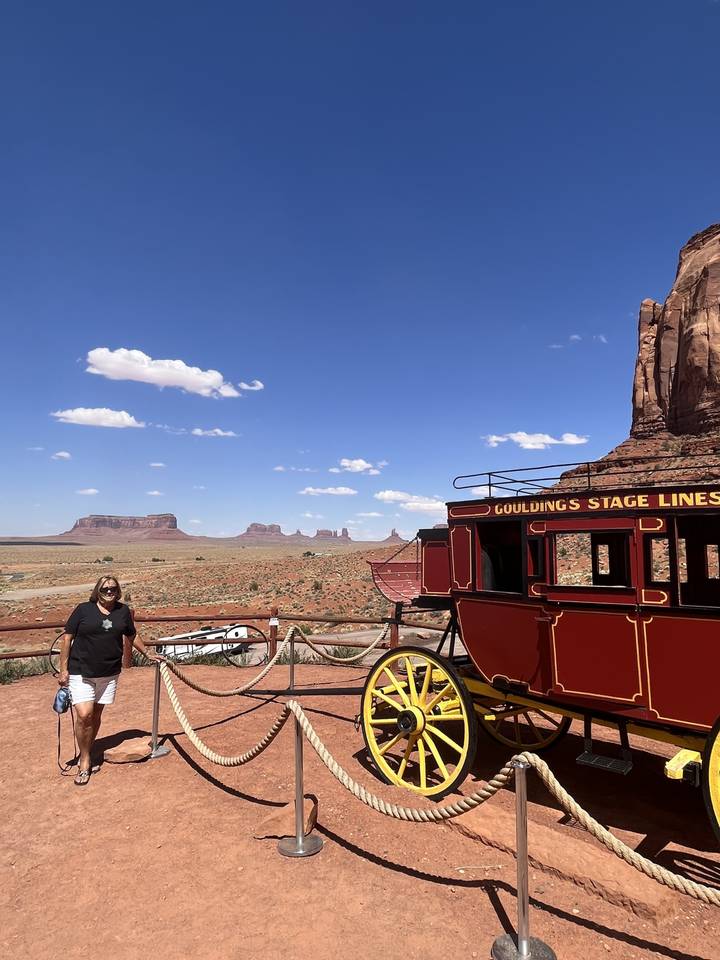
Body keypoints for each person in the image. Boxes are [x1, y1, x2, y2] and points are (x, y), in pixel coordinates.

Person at [57, 575, 161, 785]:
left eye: (113, 589)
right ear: (97, 591)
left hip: (108, 672)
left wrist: (148, 654)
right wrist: (63, 669)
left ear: (118, 591)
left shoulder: (122, 611)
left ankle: (89, 747)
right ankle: (84, 760)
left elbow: (132, 635)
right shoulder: (83, 610)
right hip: (81, 671)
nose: (109, 592)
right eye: (104, 589)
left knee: (95, 716)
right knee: (84, 715)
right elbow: (67, 638)